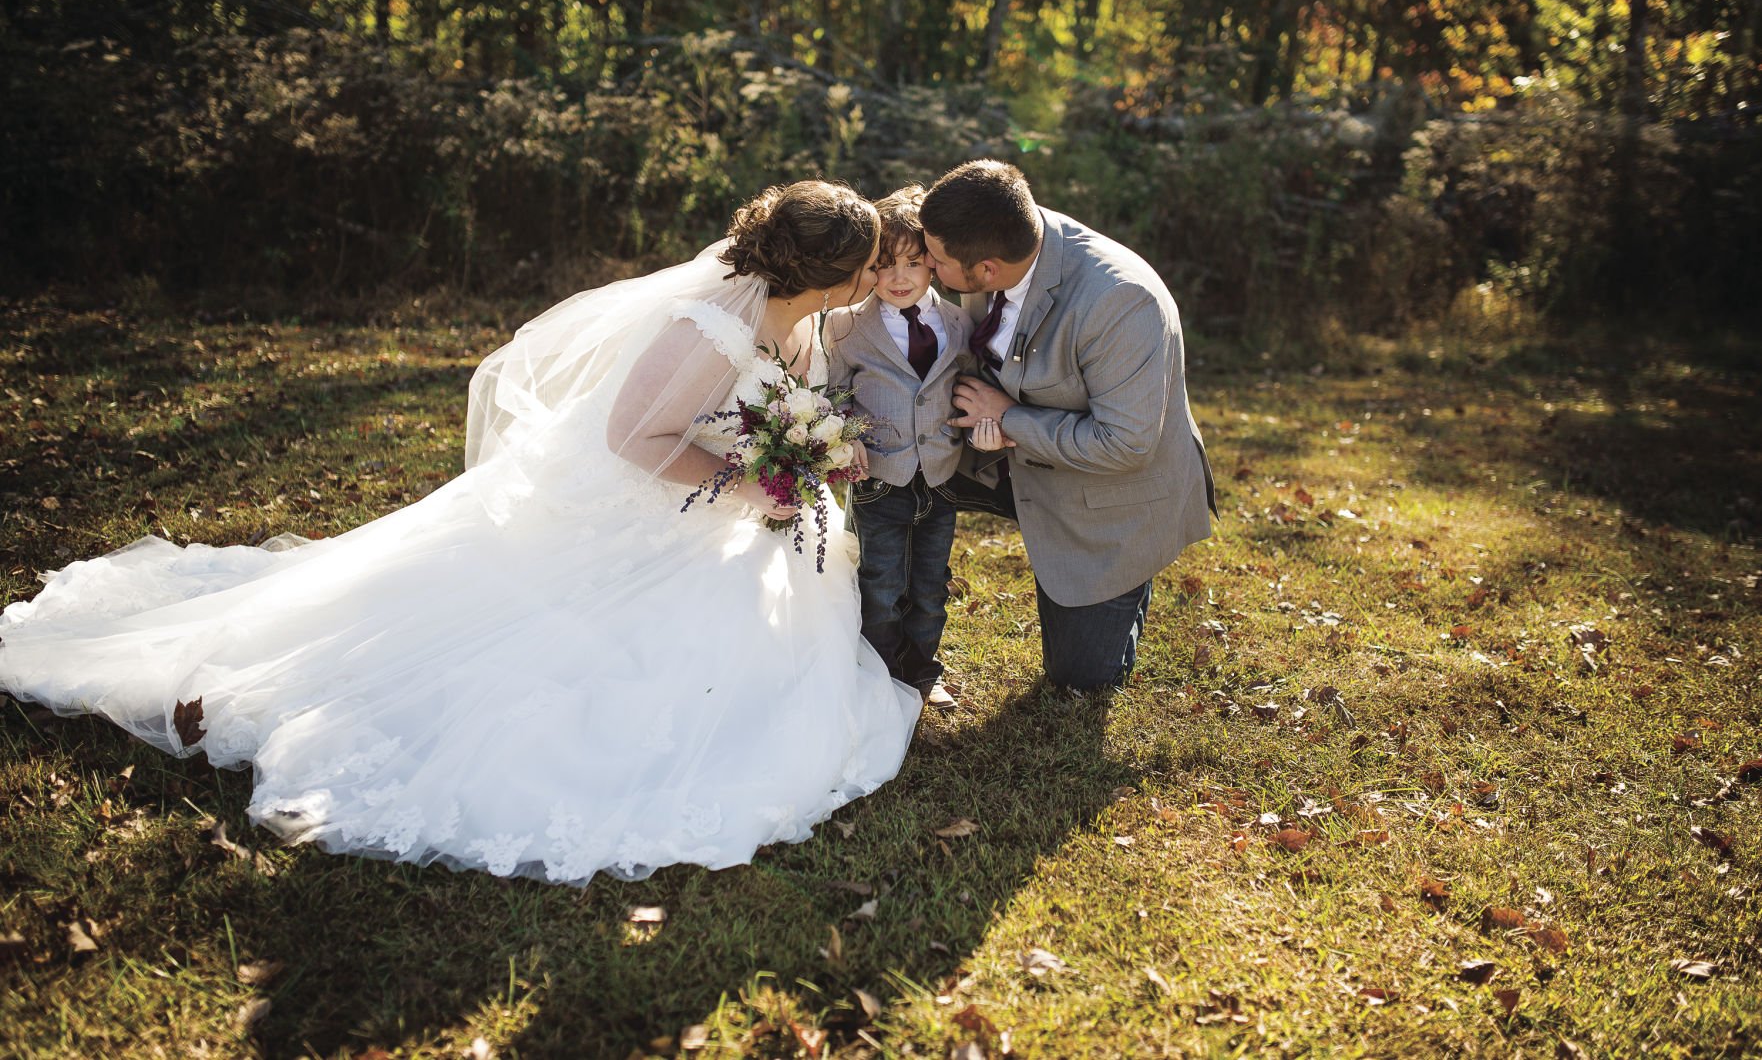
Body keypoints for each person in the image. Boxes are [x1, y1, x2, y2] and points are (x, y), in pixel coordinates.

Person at [0, 180, 922, 885]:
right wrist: (748, 481)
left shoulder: (807, 319)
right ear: (829, 271)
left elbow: (799, 395)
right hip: (631, 514)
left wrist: (797, 467)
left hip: (723, 518)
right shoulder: (705, 328)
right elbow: (632, 438)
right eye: (868, 263)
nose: (876, 276)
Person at [918, 160, 1216, 693]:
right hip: (1013, 460)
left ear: (986, 270)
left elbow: (1125, 444)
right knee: (901, 478)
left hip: (1110, 495)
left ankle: (1130, 576)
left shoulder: (1120, 302)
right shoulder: (1010, 234)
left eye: (936, 261)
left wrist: (1008, 418)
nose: (927, 266)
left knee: (1078, 678)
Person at [824, 186, 999, 713]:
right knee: (879, 583)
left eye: (913, 263)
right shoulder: (847, 326)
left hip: (941, 477)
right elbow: (831, 393)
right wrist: (847, 432)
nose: (898, 278)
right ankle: (877, 674)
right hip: (878, 477)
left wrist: (981, 427)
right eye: (884, 265)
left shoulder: (959, 323)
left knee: (930, 585)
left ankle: (922, 672)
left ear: (933, 266)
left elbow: (970, 388)